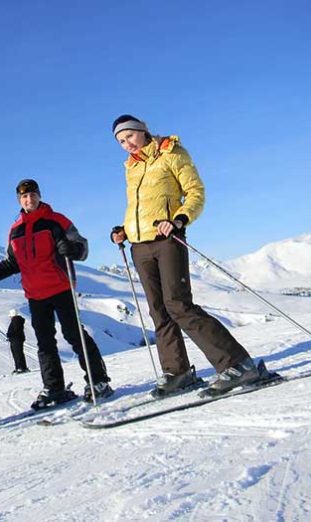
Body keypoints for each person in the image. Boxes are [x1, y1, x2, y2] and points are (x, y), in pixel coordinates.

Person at [109, 115, 265, 396]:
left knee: (178, 304)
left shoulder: (171, 152)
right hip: (139, 245)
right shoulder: (131, 168)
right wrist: (125, 229)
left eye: (129, 136)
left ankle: (238, 364)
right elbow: (140, 205)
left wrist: (180, 219)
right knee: (159, 311)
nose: (126, 144)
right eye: (120, 141)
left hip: (168, 238)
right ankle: (177, 372)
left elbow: (195, 192)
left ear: (142, 131)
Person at [0, 179, 113, 409]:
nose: (29, 200)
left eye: (33, 195)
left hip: (60, 287)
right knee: (44, 342)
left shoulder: (55, 221)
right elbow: (12, 262)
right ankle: (54, 388)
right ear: (20, 200)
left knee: (74, 334)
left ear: (39, 195)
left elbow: (82, 246)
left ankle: (98, 381)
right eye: (24, 197)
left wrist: (74, 250)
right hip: (35, 294)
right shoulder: (15, 229)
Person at [6, 309, 30, 373]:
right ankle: (21, 367)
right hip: (17, 339)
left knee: (17, 354)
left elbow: (15, 330)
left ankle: (20, 367)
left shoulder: (15, 320)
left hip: (16, 340)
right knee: (19, 353)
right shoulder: (18, 320)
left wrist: (10, 335)